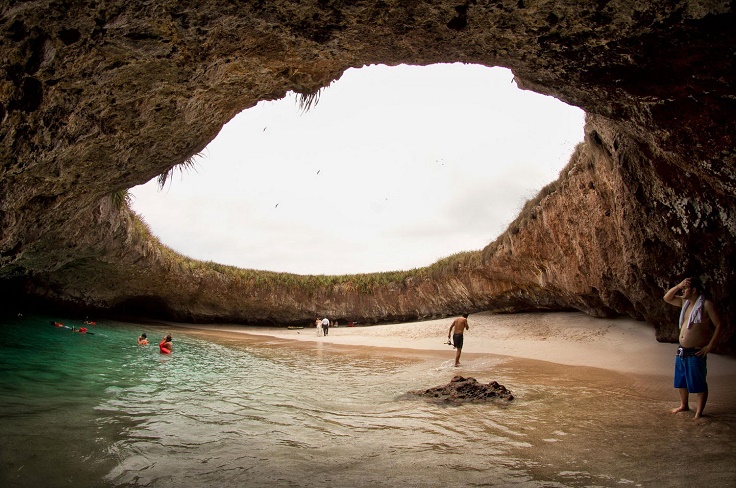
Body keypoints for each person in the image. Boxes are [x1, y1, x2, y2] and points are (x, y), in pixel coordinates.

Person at [663, 276, 723, 418]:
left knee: (698, 383)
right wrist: (678, 285)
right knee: (681, 381)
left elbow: (720, 325)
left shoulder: (706, 305)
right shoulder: (685, 302)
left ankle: (698, 413)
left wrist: (710, 346)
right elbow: (667, 298)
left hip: (696, 351)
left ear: (694, 290)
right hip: (681, 350)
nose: (682, 291)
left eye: (685, 288)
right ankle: (684, 405)